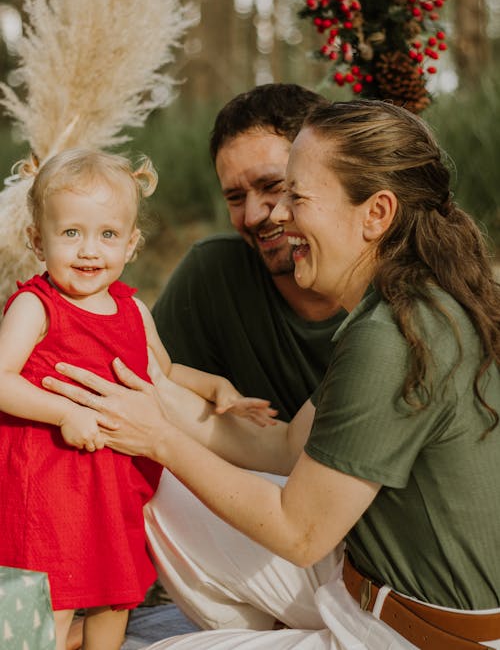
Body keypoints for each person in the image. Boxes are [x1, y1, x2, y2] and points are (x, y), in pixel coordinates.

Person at [47, 99, 500, 649]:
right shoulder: (409, 301)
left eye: (297, 195)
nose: (277, 214)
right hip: (368, 583)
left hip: (407, 635)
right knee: (152, 486)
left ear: (376, 214)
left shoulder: (394, 337)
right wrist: (153, 390)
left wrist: (160, 437)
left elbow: (300, 532)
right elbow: (287, 446)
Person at [0, 148, 275, 650]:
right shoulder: (36, 307)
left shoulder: (132, 309)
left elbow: (162, 371)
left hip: (111, 483)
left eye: (106, 235)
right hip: (47, 484)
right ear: (38, 241)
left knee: (115, 596)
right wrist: (65, 411)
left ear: (131, 244)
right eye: (71, 234)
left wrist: (216, 387)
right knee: (51, 604)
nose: (89, 250)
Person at [146, 83, 347, 631]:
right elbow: (275, 448)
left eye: (273, 186)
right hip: (271, 533)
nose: (257, 214)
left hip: (376, 553)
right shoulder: (213, 275)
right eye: (235, 197)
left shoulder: (386, 308)